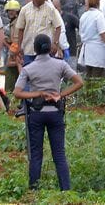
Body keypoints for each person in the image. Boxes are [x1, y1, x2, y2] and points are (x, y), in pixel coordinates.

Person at [14, 33, 84, 191]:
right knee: (59, 154)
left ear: (35, 49)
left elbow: (17, 93)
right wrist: (61, 95)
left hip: (36, 114)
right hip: (55, 113)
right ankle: (66, 191)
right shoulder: (60, 65)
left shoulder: (29, 68)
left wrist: (37, 93)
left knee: (36, 154)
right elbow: (79, 82)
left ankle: (34, 190)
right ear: (50, 47)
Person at [11, 0, 64, 68]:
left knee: (45, 75)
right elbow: (20, 29)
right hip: (29, 50)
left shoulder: (51, 9)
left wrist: (55, 44)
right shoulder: (25, 10)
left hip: (45, 51)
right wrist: (19, 46)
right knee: (29, 76)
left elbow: (58, 27)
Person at [77, 0, 105, 81]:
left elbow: (81, 33)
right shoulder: (98, 15)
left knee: (89, 76)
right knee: (98, 77)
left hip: (87, 51)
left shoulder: (84, 16)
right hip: (98, 50)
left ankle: (88, 95)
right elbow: (102, 33)